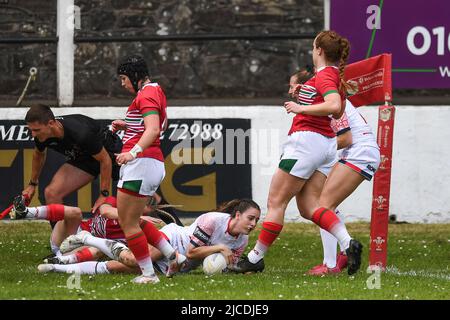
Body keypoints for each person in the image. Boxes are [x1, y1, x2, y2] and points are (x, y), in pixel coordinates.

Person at [234, 30, 363, 276]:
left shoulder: (325, 75)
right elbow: (336, 112)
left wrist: (300, 107)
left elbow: (334, 106)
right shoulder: (335, 77)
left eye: (313, 46)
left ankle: (255, 258)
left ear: (319, 51)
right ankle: (348, 244)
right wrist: (308, 98)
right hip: (325, 146)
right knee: (310, 208)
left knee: (276, 202)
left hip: (306, 142)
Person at [37, 199, 261, 276]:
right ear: (237, 215)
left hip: (178, 265)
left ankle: (58, 268)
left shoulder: (242, 241)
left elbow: (228, 263)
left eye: (256, 221)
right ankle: (89, 238)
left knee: (114, 267)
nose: (253, 224)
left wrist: (243, 268)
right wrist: (220, 250)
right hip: (172, 242)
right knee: (135, 260)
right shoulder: (213, 220)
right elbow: (192, 252)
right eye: (250, 218)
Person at [112, 54, 181, 284]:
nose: (122, 83)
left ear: (135, 76)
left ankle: (149, 275)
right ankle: (173, 256)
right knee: (133, 220)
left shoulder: (147, 93)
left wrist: (131, 153)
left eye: (123, 78)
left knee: (128, 223)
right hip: (150, 163)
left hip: (141, 164)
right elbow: (160, 125)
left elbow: (152, 130)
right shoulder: (156, 90)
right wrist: (129, 125)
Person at [22, 104, 122, 229]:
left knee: (138, 198)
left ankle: (151, 214)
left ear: (51, 123)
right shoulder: (41, 134)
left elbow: (105, 160)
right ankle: (63, 242)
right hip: (83, 157)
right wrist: (32, 184)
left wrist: (104, 194)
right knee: (51, 193)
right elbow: (38, 154)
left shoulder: (80, 133)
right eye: (30, 129)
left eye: (36, 130)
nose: (33, 134)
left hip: (109, 151)